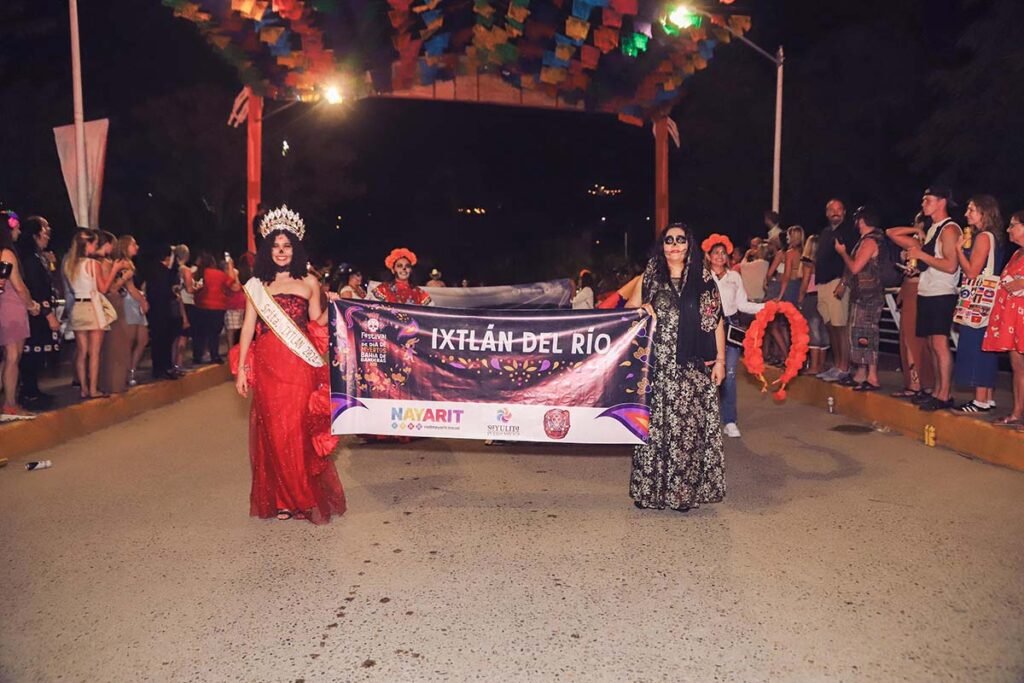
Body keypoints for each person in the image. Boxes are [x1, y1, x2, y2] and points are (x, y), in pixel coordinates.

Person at [234, 205, 346, 523]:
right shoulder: (258, 284)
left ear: (294, 248)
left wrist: (334, 305)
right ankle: (283, 498)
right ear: (268, 250)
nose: (281, 252)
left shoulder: (309, 281)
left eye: (287, 246)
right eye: (276, 246)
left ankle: (303, 497)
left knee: (296, 428)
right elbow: (246, 328)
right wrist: (243, 368)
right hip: (268, 362)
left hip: (299, 363)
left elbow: (317, 320)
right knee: (273, 430)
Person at [626, 223, 726, 511]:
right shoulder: (650, 276)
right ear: (662, 245)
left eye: (680, 240)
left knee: (685, 431)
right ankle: (648, 491)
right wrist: (641, 309)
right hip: (654, 366)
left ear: (688, 244)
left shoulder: (703, 279)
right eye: (668, 240)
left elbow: (716, 320)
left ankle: (681, 493)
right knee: (652, 429)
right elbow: (628, 312)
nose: (674, 245)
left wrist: (719, 361)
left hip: (689, 368)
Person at [891, 187, 962, 411]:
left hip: (942, 292)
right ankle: (936, 391)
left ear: (942, 202)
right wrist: (917, 266)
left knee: (940, 344)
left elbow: (951, 266)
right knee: (932, 344)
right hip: (927, 290)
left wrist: (921, 255)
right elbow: (933, 262)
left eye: (928, 199)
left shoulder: (949, 229)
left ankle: (944, 394)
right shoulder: (932, 229)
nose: (923, 203)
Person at [704, 234, 762, 438]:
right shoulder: (701, 277)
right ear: (709, 256)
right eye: (716, 253)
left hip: (730, 328)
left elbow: (742, 304)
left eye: (723, 253)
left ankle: (729, 420)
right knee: (706, 376)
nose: (720, 256)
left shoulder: (734, 277)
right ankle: (707, 421)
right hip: (706, 330)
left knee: (728, 373)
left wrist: (767, 307)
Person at [950, 195, 1004, 415]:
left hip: (979, 301)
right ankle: (987, 398)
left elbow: (972, 271)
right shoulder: (995, 238)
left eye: (971, 210)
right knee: (986, 346)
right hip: (991, 300)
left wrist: (958, 251)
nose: (966, 214)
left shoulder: (983, 238)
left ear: (984, 212)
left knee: (976, 346)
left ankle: (980, 400)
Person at [887, 213, 935, 401]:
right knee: (921, 340)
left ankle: (914, 384)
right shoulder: (929, 245)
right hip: (919, 289)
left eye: (915, 222)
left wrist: (916, 230)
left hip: (914, 290)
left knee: (910, 338)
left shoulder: (916, 244)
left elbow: (891, 232)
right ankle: (926, 382)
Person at [835, 206, 884, 390]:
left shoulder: (870, 242)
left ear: (862, 221)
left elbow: (855, 267)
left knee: (866, 333)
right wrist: (844, 284)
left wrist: (842, 253)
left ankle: (872, 377)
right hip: (863, 295)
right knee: (858, 333)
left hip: (869, 296)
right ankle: (861, 373)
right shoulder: (865, 241)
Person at [983, 211, 1024, 428]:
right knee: (1017, 366)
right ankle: (1017, 411)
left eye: (1013, 225)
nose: (1009, 230)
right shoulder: (1017, 254)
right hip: (1014, 318)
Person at [15, 216, 60, 408]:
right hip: (35, 312)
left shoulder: (37, 256)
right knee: (30, 354)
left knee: (36, 354)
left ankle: (32, 390)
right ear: (36, 233)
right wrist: (48, 314)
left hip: (39, 311)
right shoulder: (29, 259)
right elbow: (36, 288)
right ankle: (28, 392)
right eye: (45, 227)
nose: (48, 231)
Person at [65, 229, 116, 399]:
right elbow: (103, 288)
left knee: (81, 351)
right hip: (91, 307)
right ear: (87, 245)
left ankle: (83, 388)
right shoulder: (92, 264)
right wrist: (115, 270)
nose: (95, 247)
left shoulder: (69, 264)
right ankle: (93, 389)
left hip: (77, 307)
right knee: (94, 352)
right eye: (94, 243)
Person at [1, 217, 40, 419]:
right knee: (13, 356)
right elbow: (18, 286)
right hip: (11, 307)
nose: (18, 231)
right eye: (15, 228)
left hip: (5, 306)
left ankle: (8, 402)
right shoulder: (7, 254)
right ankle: (10, 404)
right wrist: (32, 305)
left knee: (8, 357)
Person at [815, 199, 856, 382]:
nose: (835, 212)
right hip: (823, 284)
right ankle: (837, 365)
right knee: (830, 326)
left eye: (839, 209)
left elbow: (852, 259)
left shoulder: (848, 232)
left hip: (838, 282)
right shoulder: (825, 233)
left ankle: (844, 367)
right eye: (831, 209)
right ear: (826, 213)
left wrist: (844, 282)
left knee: (841, 327)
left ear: (844, 212)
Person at [99, 232, 137, 394]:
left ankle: (118, 382)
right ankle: (113, 383)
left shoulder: (108, 263)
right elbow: (109, 288)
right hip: (112, 304)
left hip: (117, 303)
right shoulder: (106, 264)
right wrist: (123, 276)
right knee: (115, 346)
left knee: (120, 345)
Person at [112, 236, 149, 387]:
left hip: (134, 302)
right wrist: (143, 301)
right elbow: (130, 288)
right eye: (133, 244)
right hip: (129, 303)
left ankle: (131, 370)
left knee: (142, 339)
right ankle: (126, 372)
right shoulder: (124, 263)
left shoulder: (130, 263)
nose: (137, 246)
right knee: (130, 340)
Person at [141, 245, 182, 381]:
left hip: (155, 310)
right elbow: (165, 291)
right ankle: (163, 368)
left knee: (158, 341)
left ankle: (160, 368)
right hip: (162, 311)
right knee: (163, 340)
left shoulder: (153, 270)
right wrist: (173, 294)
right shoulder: (163, 272)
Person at [192, 251, 239, 364]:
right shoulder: (218, 274)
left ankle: (198, 356)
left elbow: (194, 289)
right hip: (217, 307)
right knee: (214, 334)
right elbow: (231, 281)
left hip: (200, 306)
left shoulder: (198, 273)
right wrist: (230, 265)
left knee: (200, 333)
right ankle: (214, 355)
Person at [798, 236, 828, 375]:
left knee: (813, 330)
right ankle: (822, 364)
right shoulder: (823, 263)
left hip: (811, 297)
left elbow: (805, 282)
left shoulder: (807, 264)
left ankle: (814, 365)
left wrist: (800, 298)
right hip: (823, 296)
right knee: (823, 330)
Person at [174, 244, 197, 371]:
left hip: (176, 303)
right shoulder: (186, 270)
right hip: (187, 303)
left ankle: (174, 363)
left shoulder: (174, 269)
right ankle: (179, 363)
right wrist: (197, 287)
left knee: (176, 335)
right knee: (184, 336)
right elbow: (189, 289)